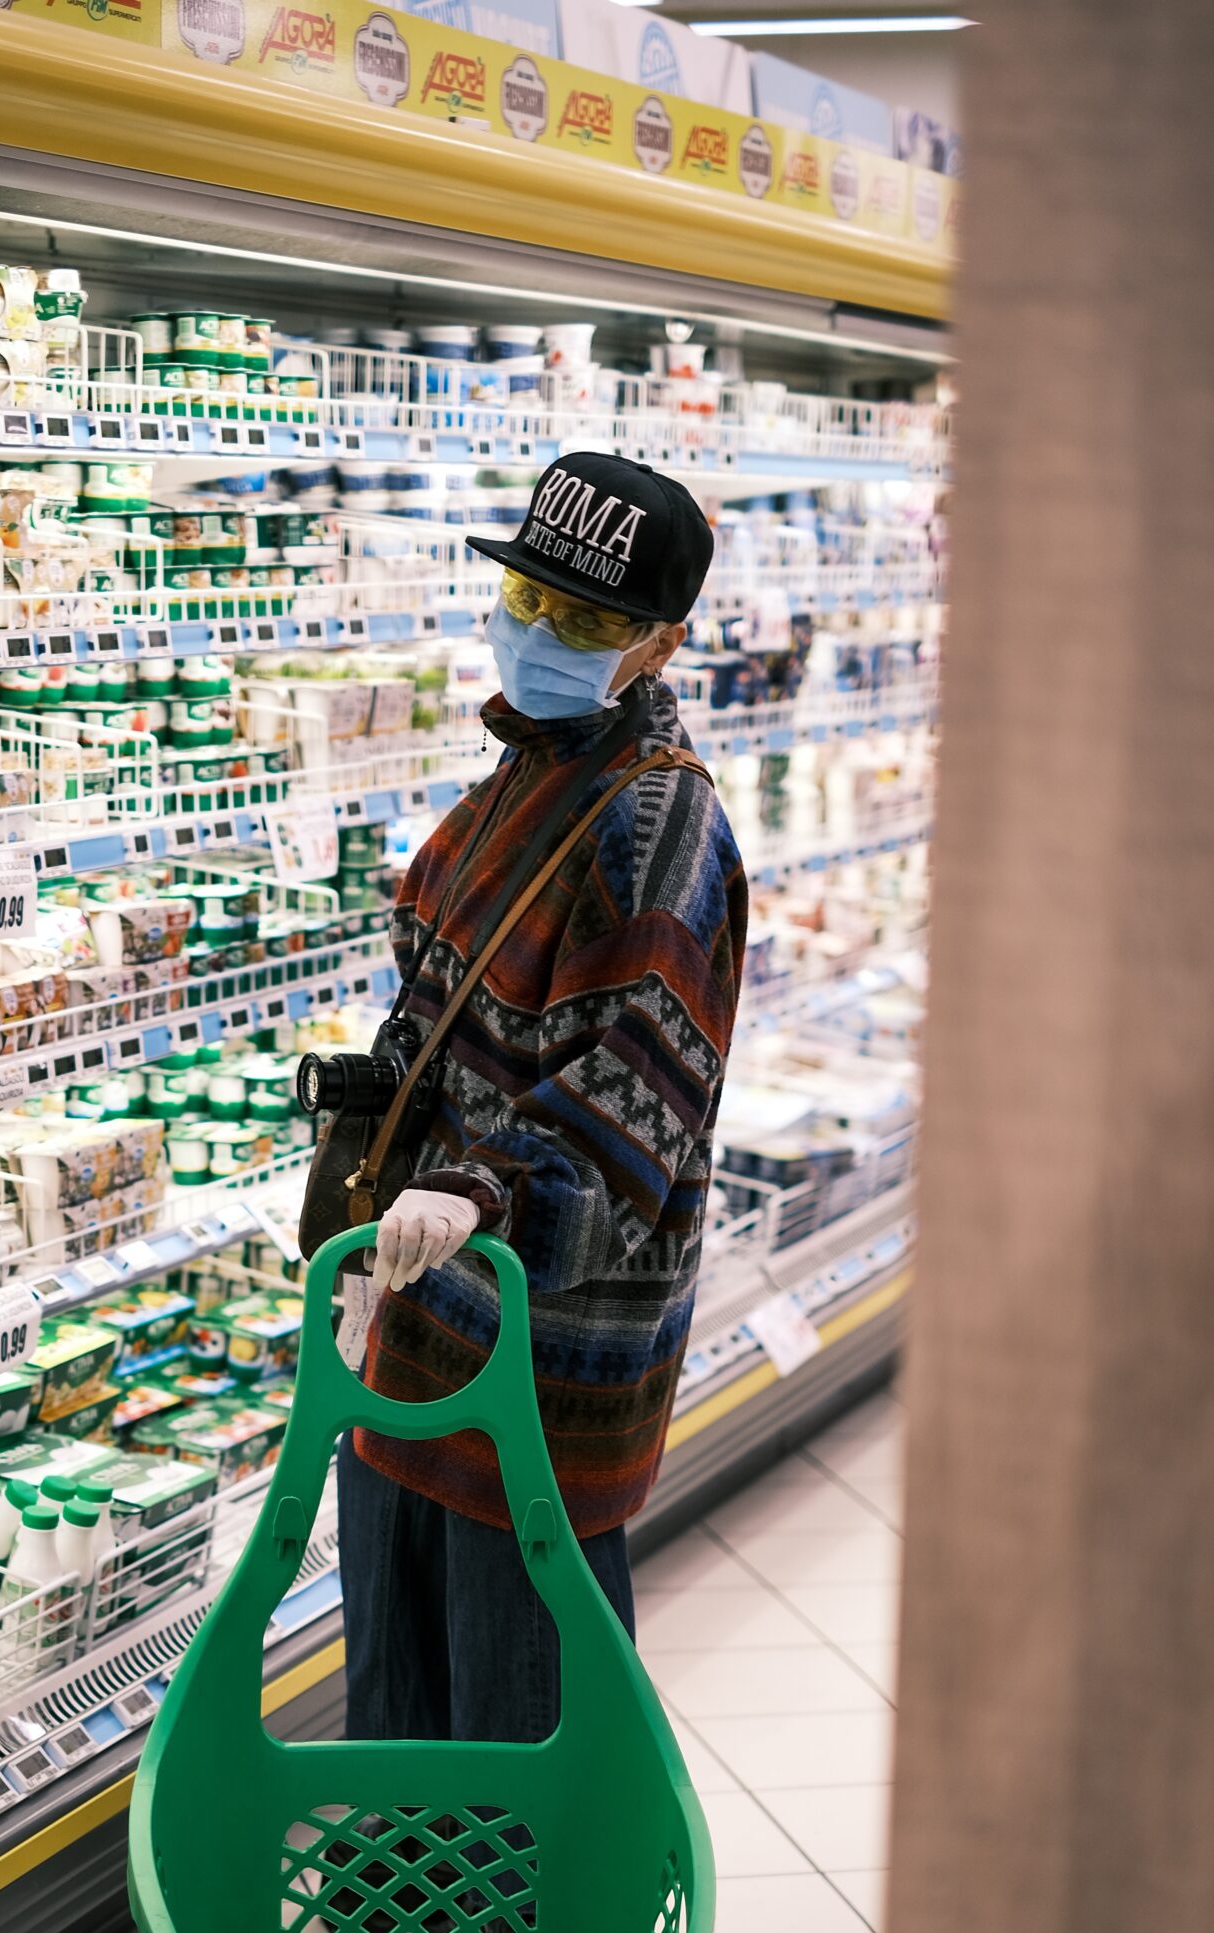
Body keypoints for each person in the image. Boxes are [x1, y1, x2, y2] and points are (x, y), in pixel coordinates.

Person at [336, 450, 747, 1741]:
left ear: (660, 644)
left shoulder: (656, 824)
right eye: (528, 597)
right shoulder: (526, 770)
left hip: (536, 1352)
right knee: (403, 1704)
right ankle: (402, 1931)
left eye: (585, 621)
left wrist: (472, 1190)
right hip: (419, 1312)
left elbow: (636, 1099)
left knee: (514, 1729)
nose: (539, 635)